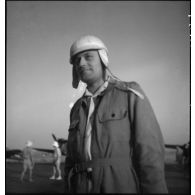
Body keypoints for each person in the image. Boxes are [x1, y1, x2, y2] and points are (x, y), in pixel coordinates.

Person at [64, 35, 168, 193]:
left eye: (88, 57)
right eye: (77, 60)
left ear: (103, 59)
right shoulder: (77, 108)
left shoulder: (130, 95)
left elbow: (150, 153)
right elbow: (70, 161)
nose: (81, 63)